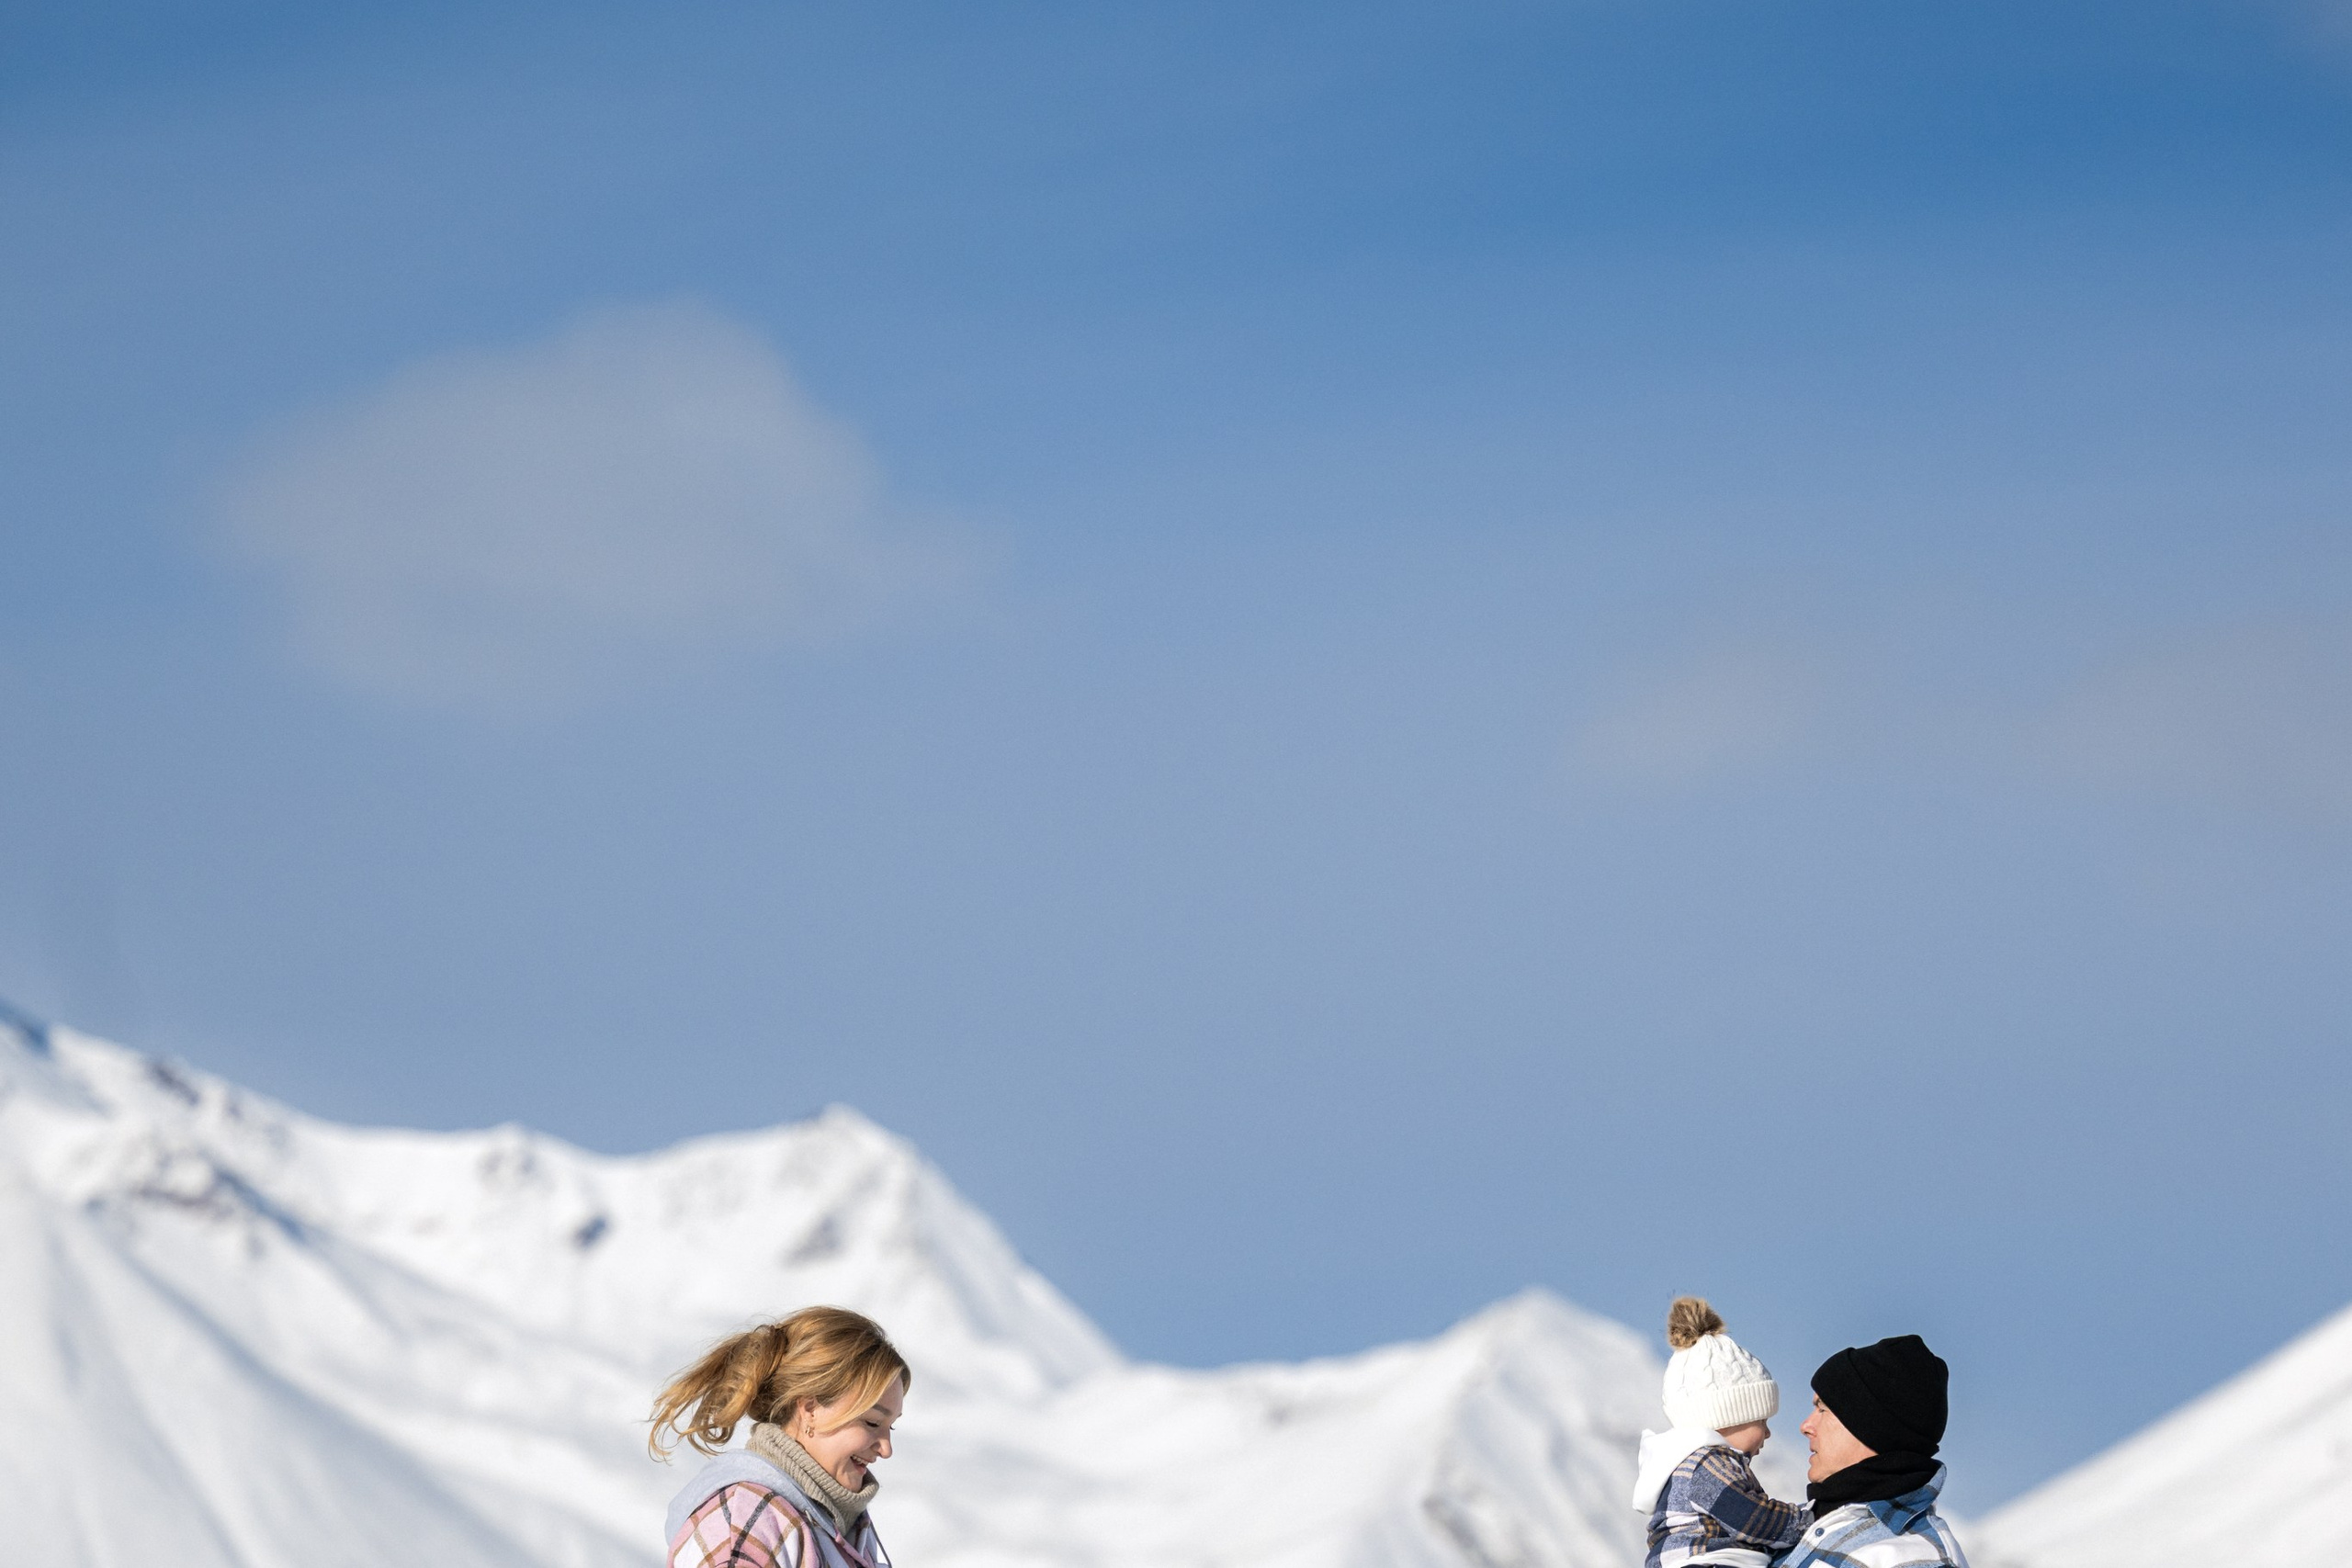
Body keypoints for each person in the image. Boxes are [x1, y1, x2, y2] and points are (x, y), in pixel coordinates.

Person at [650, 1305, 911, 1568]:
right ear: (811, 1409)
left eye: (891, 1426)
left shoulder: (839, 1525)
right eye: (872, 1422)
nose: (886, 1448)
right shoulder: (751, 1520)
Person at [1630, 1297, 1810, 1568]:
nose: (1768, 1433)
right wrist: (1806, 1520)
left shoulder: (1696, 1463)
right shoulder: (1707, 1463)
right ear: (1731, 1418)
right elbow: (1751, 1518)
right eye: (1762, 1421)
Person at [1780, 1334, 1969, 1568]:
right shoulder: (1787, 1524)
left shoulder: (1913, 1560)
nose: (1805, 1426)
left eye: (1823, 1409)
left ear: (1871, 1425)